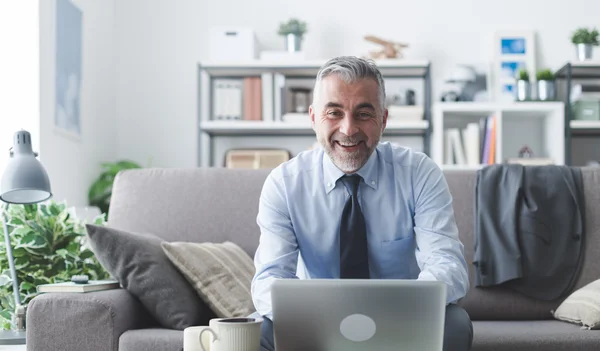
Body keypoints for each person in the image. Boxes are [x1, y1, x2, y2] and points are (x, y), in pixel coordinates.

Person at [249, 56, 473, 351]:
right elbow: (269, 280)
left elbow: (448, 266)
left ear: (383, 120)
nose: (348, 128)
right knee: (258, 330)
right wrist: (321, 316)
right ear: (314, 117)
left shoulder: (420, 173)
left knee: (455, 324)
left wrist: (392, 309)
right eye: (334, 112)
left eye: (364, 114)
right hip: (312, 323)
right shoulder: (284, 184)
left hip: (403, 320)